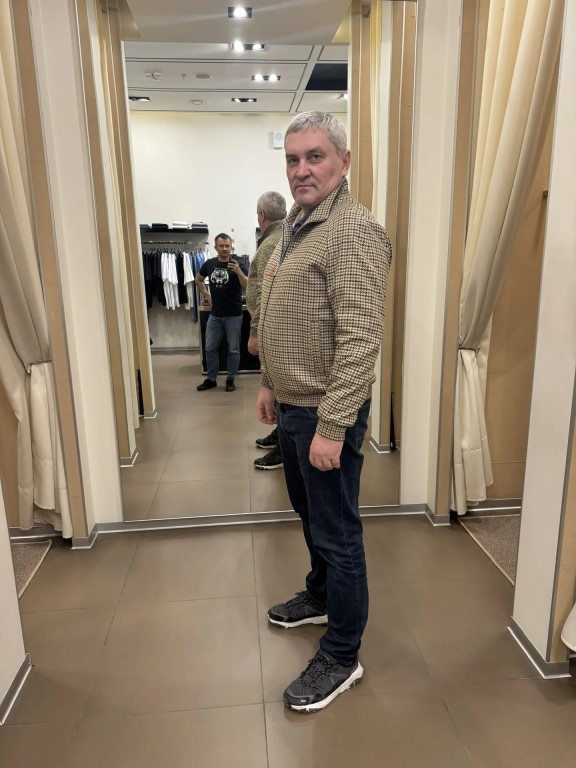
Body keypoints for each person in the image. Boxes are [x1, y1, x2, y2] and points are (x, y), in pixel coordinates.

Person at [256, 111, 392, 713]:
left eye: (315, 156)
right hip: (291, 406)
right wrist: (269, 383)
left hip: (323, 414)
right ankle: (319, 596)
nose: (301, 169)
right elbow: (283, 312)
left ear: (343, 161)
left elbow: (360, 341)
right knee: (309, 516)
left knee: (337, 533)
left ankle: (342, 653)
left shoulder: (354, 231)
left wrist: (333, 427)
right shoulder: (297, 224)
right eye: (293, 159)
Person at [246, 191, 287, 470]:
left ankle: (283, 445)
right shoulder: (283, 237)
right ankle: (280, 434)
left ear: (261, 215)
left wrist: (255, 331)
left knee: (277, 386)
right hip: (277, 327)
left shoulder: (272, 243)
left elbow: (266, 292)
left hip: (272, 329)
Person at [195, 233, 248, 392]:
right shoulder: (209, 264)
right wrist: (206, 295)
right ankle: (211, 379)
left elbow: (247, 285)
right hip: (215, 314)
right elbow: (198, 279)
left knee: (233, 349)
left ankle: (230, 379)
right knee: (210, 348)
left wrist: (238, 272)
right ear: (216, 247)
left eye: (227, 246)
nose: (224, 248)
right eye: (221, 246)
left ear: (231, 247)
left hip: (234, 315)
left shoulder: (238, 263)